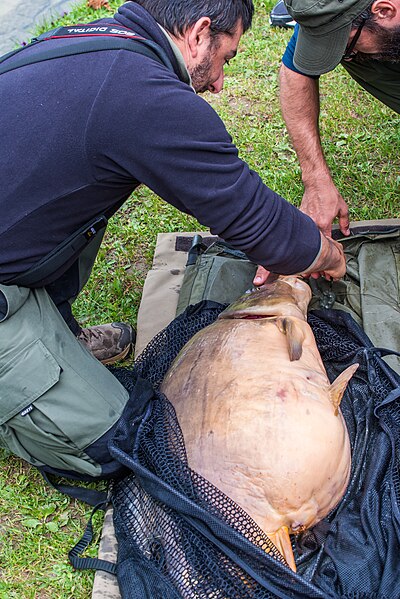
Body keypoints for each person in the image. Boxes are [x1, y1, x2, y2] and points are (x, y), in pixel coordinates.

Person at [0, 0, 344, 475]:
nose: (220, 83)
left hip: (14, 237)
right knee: (124, 441)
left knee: (77, 210)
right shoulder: (143, 94)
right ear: (200, 33)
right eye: (226, 59)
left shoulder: (92, 42)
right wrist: (324, 253)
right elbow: (251, 215)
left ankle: (57, 337)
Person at [279, 0, 400, 238]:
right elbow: (296, 71)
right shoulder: (330, 10)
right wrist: (315, 179)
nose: (346, 55)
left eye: (345, 45)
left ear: (384, 10)